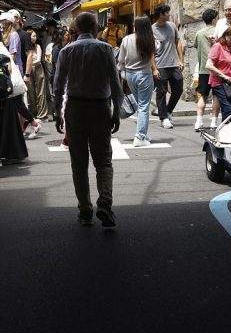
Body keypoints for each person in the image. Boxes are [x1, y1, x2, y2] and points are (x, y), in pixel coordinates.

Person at [54, 12, 123, 227]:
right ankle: (105, 204)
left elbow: (57, 86)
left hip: (75, 108)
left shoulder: (66, 51)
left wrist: (57, 112)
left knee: (79, 162)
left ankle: (84, 209)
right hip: (100, 107)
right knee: (103, 161)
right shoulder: (105, 49)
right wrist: (116, 111)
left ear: (77, 28)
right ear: (94, 27)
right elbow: (115, 83)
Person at [0, 22, 29, 165]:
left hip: (4, 92)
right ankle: (13, 153)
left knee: (3, 127)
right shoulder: (0, 48)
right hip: (7, 92)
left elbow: (8, 69)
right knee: (9, 126)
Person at [118, 15, 159, 147]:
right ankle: (140, 136)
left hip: (130, 76)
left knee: (141, 106)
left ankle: (143, 135)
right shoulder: (149, 40)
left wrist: (123, 73)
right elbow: (158, 48)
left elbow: (121, 61)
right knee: (143, 107)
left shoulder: (126, 39)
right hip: (144, 75)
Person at [152, 3, 185, 129]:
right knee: (161, 92)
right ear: (161, 14)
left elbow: (178, 42)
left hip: (174, 64)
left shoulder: (171, 26)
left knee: (178, 89)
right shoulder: (152, 29)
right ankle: (164, 118)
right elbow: (151, 51)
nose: (169, 14)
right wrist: (154, 68)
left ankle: (168, 111)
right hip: (160, 65)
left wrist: (181, 60)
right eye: (167, 12)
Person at [206, 24, 231, 122]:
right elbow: (209, 65)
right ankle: (225, 132)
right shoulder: (218, 46)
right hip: (220, 83)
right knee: (228, 109)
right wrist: (224, 76)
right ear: (225, 36)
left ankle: (227, 131)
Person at [194, 8, 220, 129]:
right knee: (216, 96)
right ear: (214, 19)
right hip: (217, 69)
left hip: (203, 69)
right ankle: (214, 122)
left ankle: (198, 121)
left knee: (202, 95)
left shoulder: (199, 34)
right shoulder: (218, 32)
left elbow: (196, 47)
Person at [26, 28, 50, 120]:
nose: (35, 37)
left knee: (40, 91)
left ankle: (42, 113)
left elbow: (38, 60)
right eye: (33, 36)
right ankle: (33, 111)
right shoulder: (27, 47)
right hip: (29, 70)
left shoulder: (38, 46)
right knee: (30, 91)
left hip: (38, 69)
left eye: (36, 36)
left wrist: (29, 63)